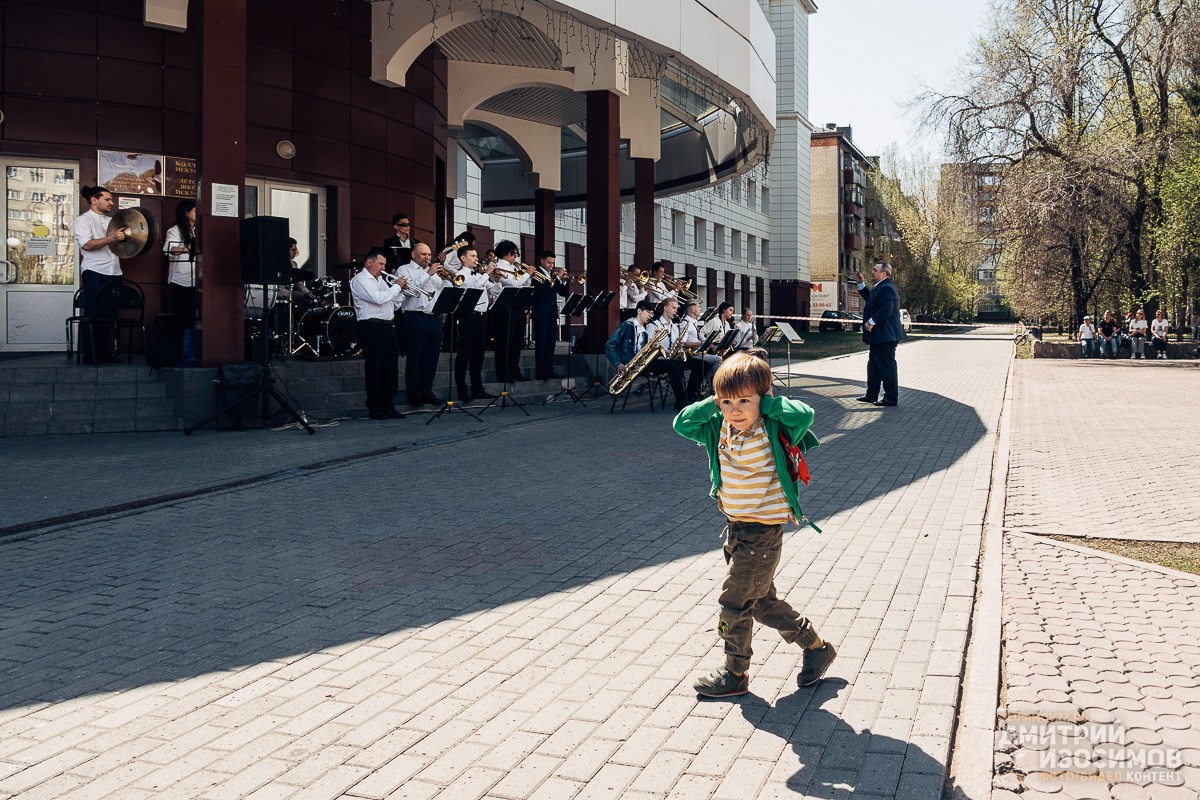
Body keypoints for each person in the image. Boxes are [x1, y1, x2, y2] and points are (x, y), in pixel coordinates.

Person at [672, 351, 834, 698]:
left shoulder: (772, 426)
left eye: (745, 400)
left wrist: (768, 405)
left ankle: (735, 674)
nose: (736, 409)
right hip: (735, 530)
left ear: (763, 399)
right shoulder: (719, 427)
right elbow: (681, 424)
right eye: (728, 401)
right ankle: (817, 648)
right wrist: (713, 405)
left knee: (734, 604)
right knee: (760, 603)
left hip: (762, 534)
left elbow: (805, 413)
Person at [73, 185, 128, 363]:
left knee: (109, 314)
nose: (112, 202)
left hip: (114, 271)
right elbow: (87, 245)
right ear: (94, 200)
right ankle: (89, 355)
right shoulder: (83, 220)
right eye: (108, 199)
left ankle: (104, 353)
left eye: (112, 199)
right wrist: (112, 238)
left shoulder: (111, 221)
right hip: (95, 271)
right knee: (92, 313)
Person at [349, 248, 405, 420]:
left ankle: (389, 405)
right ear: (369, 262)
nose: (383, 267)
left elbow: (394, 304)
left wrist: (400, 291)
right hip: (371, 326)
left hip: (388, 326)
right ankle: (375, 407)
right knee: (374, 368)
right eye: (381, 264)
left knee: (390, 368)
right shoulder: (359, 280)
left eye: (384, 264)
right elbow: (378, 299)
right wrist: (396, 287)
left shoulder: (381, 280)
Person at [606, 299, 689, 410]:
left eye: (651, 313)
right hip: (630, 364)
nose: (650, 316)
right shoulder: (627, 325)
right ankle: (682, 402)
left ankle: (681, 400)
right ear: (639, 311)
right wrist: (618, 363)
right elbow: (610, 345)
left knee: (676, 363)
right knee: (673, 366)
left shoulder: (644, 331)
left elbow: (641, 349)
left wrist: (651, 348)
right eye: (648, 312)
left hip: (642, 363)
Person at [396, 243, 450, 406]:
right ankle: (414, 395)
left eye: (428, 254)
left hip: (434, 318)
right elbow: (408, 290)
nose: (427, 257)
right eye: (423, 254)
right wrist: (428, 273)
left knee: (431, 358)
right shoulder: (404, 270)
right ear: (413, 255)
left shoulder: (433, 272)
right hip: (415, 318)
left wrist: (445, 279)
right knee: (415, 357)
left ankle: (427, 392)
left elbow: (444, 291)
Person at [448, 244, 496, 402]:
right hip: (468, 316)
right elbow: (470, 288)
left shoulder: (477, 275)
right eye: (473, 256)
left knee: (478, 355)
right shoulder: (460, 275)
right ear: (463, 258)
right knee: (464, 354)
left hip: (482, 316)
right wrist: (486, 274)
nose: (477, 259)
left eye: (476, 256)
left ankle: (478, 388)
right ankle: (462, 389)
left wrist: (496, 278)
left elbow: (493, 290)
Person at [854, 262, 905, 406]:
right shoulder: (881, 287)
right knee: (874, 366)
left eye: (875, 270)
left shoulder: (887, 288)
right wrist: (861, 284)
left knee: (887, 366)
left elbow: (886, 309)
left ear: (884, 274)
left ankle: (890, 398)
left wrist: (871, 322)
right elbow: (872, 300)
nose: (872, 272)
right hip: (880, 336)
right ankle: (871, 395)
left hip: (886, 336)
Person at [647, 297, 703, 403]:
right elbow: (648, 347)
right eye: (673, 308)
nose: (675, 311)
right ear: (665, 308)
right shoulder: (654, 325)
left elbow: (676, 346)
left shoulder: (674, 327)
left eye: (676, 309)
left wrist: (679, 346)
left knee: (700, 364)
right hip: (657, 359)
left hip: (671, 357)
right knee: (676, 365)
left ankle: (690, 394)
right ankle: (681, 402)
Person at [492, 240, 530, 383]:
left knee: (517, 342)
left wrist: (527, 277)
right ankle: (503, 372)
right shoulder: (499, 267)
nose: (515, 257)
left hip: (517, 307)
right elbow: (513, 284)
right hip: (504, 308)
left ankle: (515, 370)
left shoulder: (514, 268)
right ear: (507, 253)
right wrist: (526, 275)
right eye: (514, 254)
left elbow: (524, 284)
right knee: (504, 342)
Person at [530, 250, 569, 380]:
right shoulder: (536, 273)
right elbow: (544, 287)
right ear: (542, 261)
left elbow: (562, 292)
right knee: (542, 342)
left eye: (553, 262)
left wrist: (564, 281)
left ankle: (550, 369)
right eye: (549, 262)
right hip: (541, 312)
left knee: (551, 342)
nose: (551, 265)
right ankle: (541, 371)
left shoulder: (552, 274)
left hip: (552, 312)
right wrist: (557, 277)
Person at [163, 199, 198, 333]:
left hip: (195, 280)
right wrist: (190, 248)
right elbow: (171, 249)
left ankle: (190, 349)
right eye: (195, 211)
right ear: (186, 213)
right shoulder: (175, 230)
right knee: (181, 317)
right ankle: (180, 349)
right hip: (180, 281)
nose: (198, 213)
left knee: (193, 317)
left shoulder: (197, 230)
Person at [680, 300, 722, 391]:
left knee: (714, 361)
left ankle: (701, 380)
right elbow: (683, 343)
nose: (700, 309)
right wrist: (700, 343)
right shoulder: (686, 323)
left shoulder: (693, 322)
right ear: (692, 309)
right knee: (718, 359)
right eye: (698, 307)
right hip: (691, 354)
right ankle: (703, 379)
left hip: (697, 351)